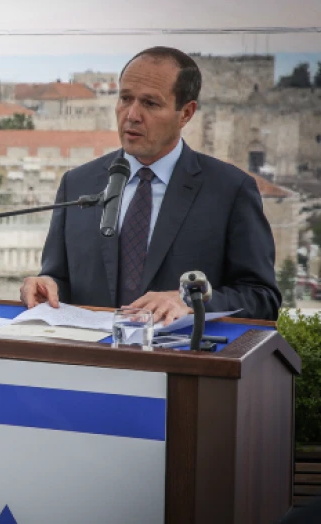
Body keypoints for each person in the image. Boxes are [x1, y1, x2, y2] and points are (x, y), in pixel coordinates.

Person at [20, 46, 280, 324]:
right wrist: (47, 284)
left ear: (186, 113)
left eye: (150, 104)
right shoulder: (78, 183)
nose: (132, 114)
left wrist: (189, 300)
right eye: (125, 98)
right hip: (90, 361)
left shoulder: (230, 190)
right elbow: (59, 276)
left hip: (181, 360)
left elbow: (261, 298)